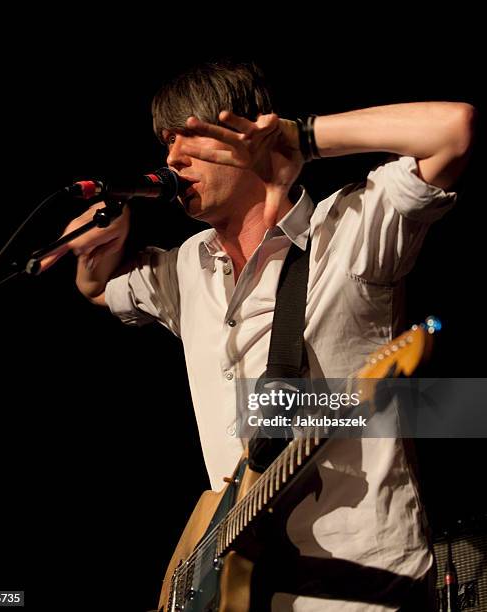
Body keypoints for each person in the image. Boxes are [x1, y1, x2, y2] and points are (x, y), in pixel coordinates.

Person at [42, 61, 476, 610]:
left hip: (358, 587)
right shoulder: (186, 268)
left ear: (248, 134)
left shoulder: (349, 232)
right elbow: (101, 291)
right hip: (236, 589)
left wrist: (301, 137)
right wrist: (91, 259)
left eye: (191, 137)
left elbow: (452, 131)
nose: (172, 159)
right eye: (166, 144)